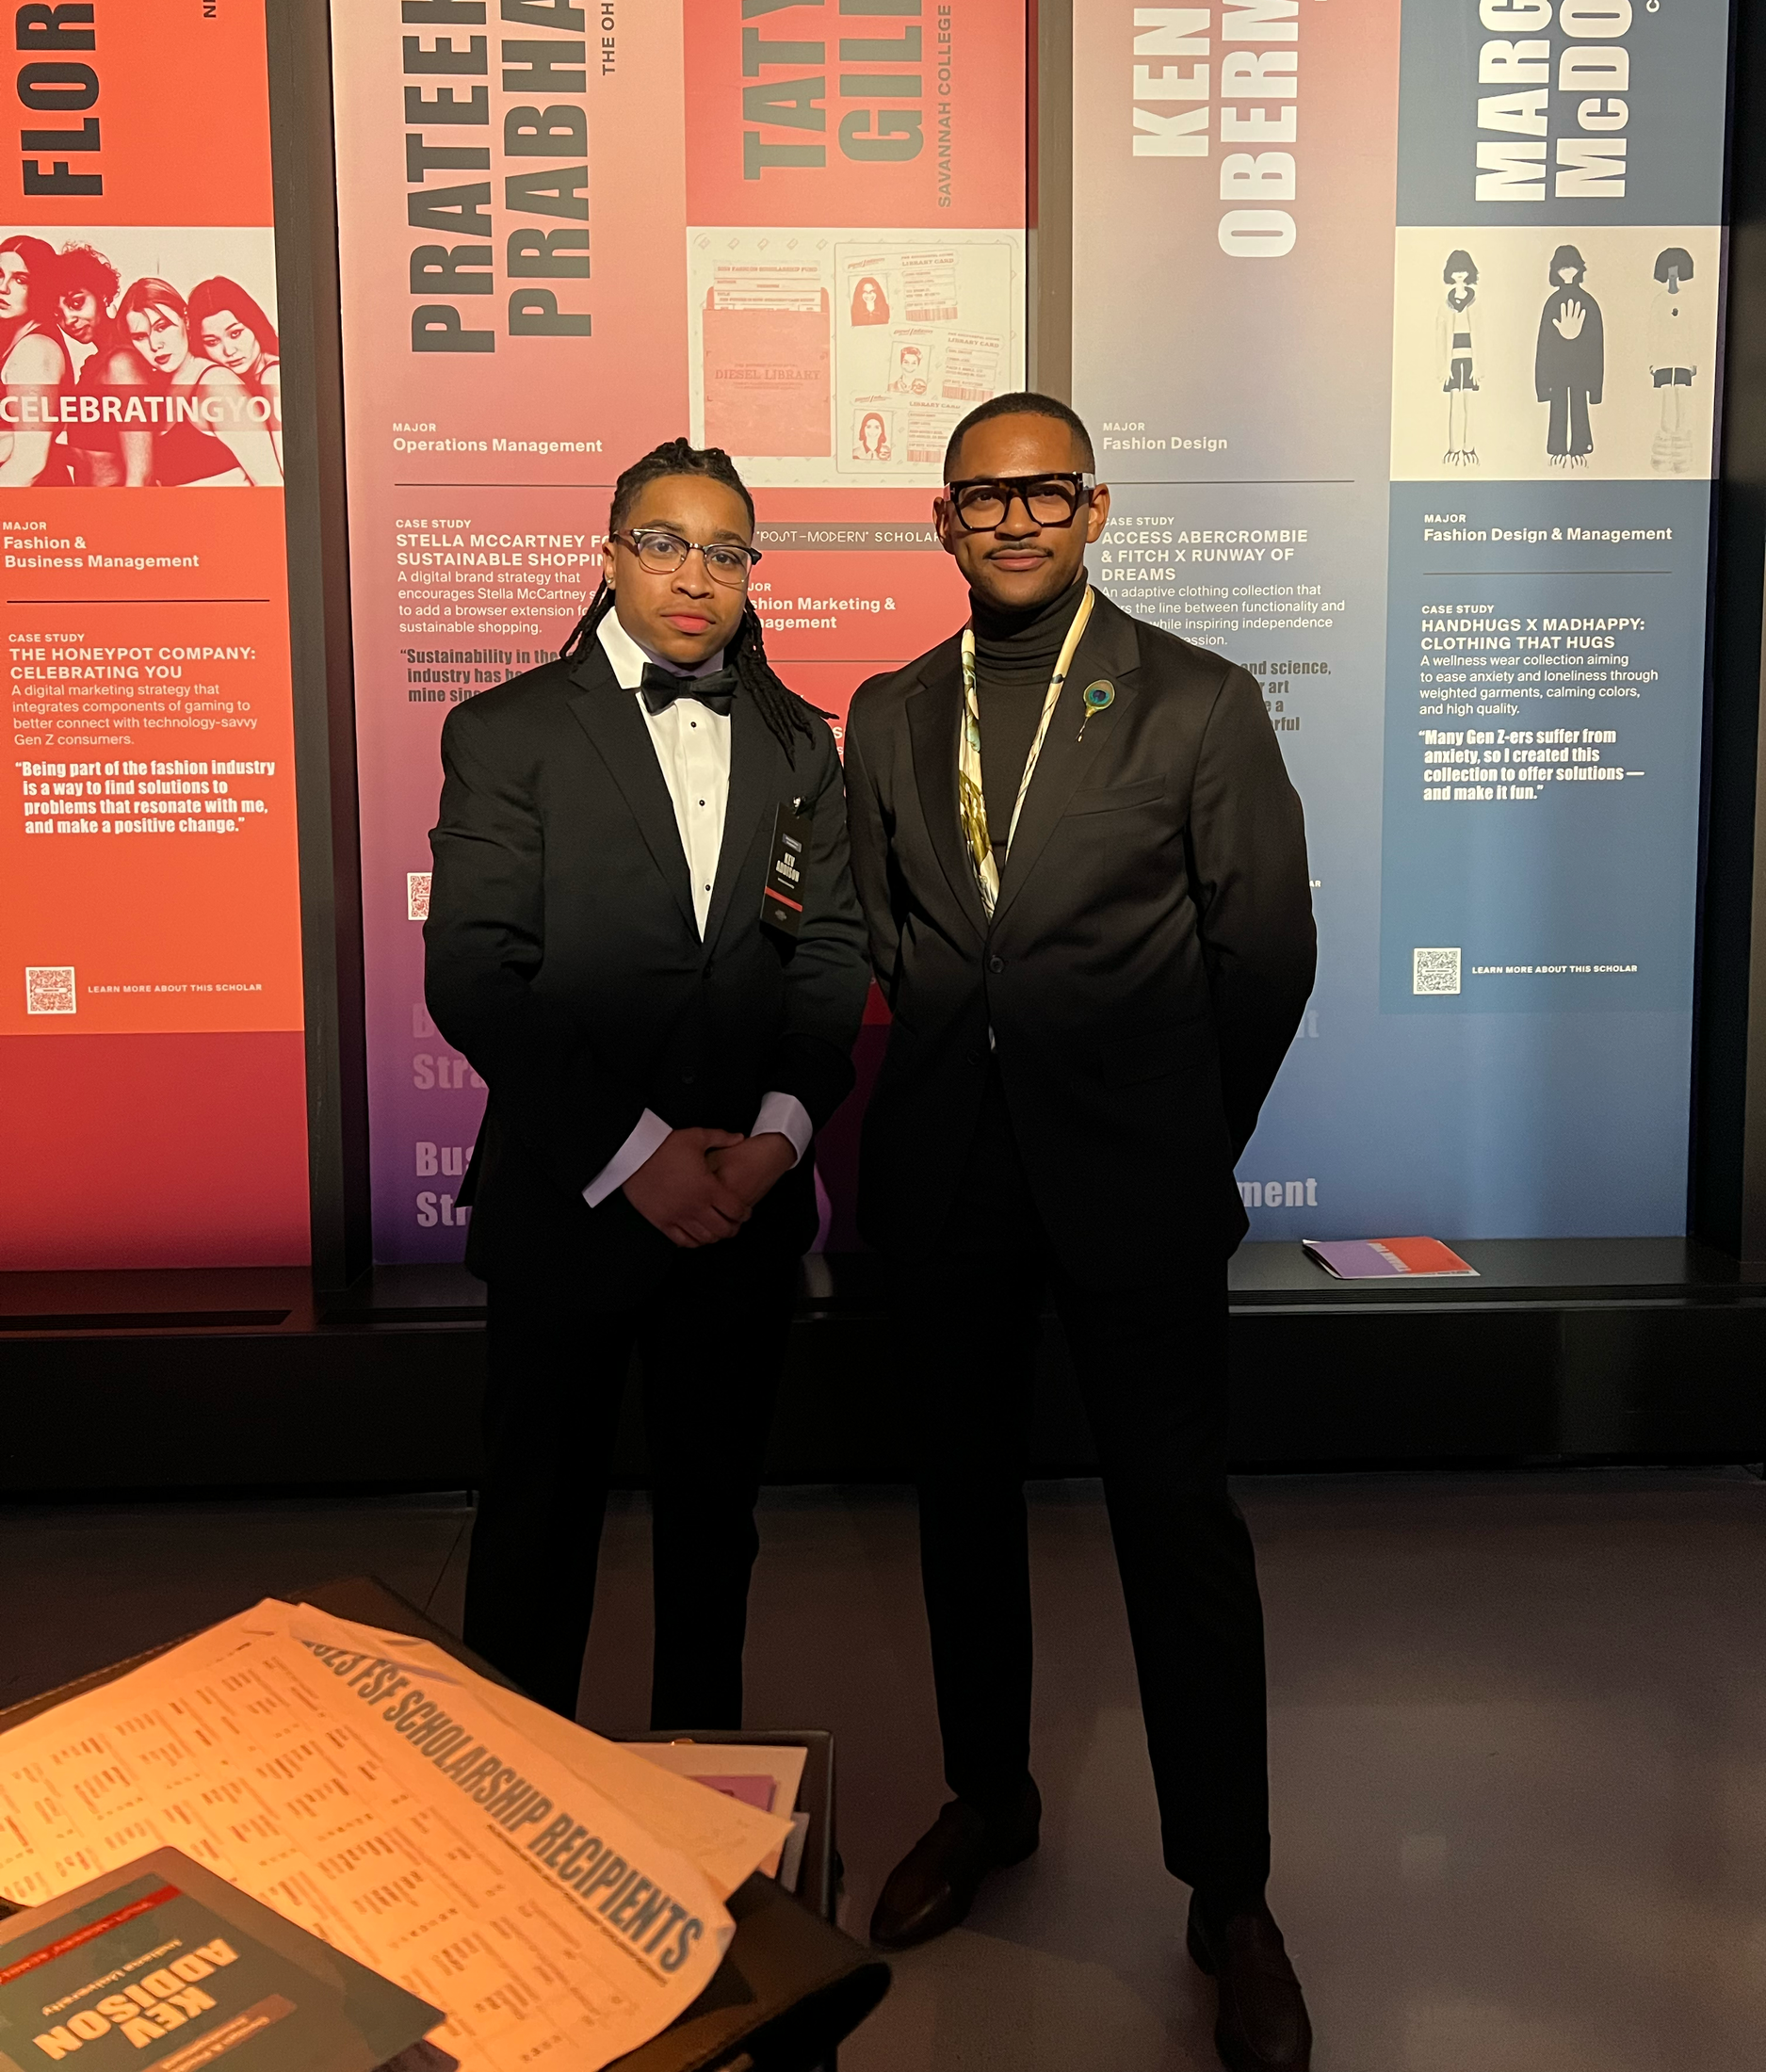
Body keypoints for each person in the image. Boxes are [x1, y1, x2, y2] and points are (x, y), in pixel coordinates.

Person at [844, 393, 1317, 2072]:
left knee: (1179, 1532)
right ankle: (991, 1799)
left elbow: (1265, 957)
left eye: (1047, 493)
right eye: (986, 498)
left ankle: (1231, 1893)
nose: (1017, 520)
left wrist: (1187, 1134)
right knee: (962, 1511)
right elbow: (891, 944)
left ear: (1096, 508)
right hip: (950, 1187)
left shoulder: (1197, 702)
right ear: (946, 521)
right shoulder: (890, 713)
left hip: (1135, 1187)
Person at [425, 437, 870, 1726]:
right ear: (612, 551)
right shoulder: (506, 731)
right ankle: (509, 1838)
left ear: (749, 573)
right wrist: (639, 1156)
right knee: (531, 1543)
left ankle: (701, 1825)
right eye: (665, 542)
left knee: (711, 1541)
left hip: (740, 1213)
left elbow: (829, 952)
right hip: (568, 1206)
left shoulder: (798, 744)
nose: (695, 574)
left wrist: (778, 1139)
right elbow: (475, 977)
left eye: (725, 551)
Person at [114, 277, 282, 486]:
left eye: (162, 327)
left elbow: (271, 485)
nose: (155, 344)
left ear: (186, 320)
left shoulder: (217, 385)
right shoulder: (163, 387)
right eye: (140, 336)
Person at [57, 243, 154, 489]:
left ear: (102, 293)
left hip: (116, 511)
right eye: (57, 314)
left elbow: (140, 475)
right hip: (89, 507)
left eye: (76, 303)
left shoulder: (122, 364)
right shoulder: (94, 364)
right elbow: (90, 453)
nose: (68, 319)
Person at [187, 275, 283, 469]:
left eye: (235, 333)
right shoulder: (220, 383)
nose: (229, 351)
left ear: (254, 325)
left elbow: (290, 471)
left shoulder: (273, 376)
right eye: (212, 342)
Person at [0, 235, 71, 485]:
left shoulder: (35, 350)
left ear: (40, 286)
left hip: (33, 501)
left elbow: (29, 463)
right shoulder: (16, 340)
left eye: (20, 280)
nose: (3, 287)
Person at [1534, 244, 1603, 468]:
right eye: (1563, 267)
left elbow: (1596, 347)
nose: (1567, 272)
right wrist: (1543, 387)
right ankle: (1557, 446)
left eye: (1571, 267)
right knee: (1559, 404)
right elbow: (1543, 346)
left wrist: (1595, 389)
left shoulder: (1589, 303)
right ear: (1556, 271)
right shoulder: (1551, 304)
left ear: (1579, 269)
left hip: (1581, 370)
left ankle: (1581, 445)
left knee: (1578, 404)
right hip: (1557, 371)